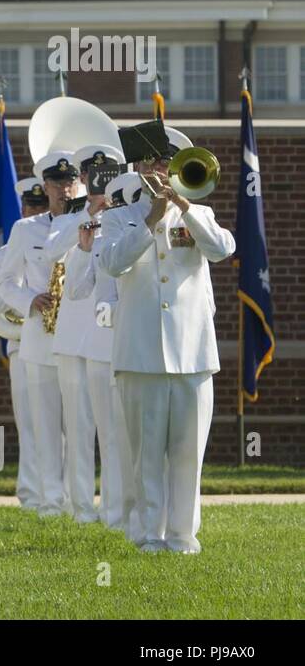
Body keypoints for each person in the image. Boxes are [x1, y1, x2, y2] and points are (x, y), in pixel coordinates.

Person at [99, 127, 234, 553]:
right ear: (138, 167)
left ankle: (182, 535)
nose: (162, 169)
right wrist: (152, 217)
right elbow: (113, 264)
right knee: (144, 456)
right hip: (141, 353)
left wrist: (184, 208)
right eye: (155, 161)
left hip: (193, 353)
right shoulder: (119, 217)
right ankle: (147, 534)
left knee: (188, 453)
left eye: (168, 162)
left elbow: (221, 249)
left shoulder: (201, 212)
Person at [0, 151, 82, 517]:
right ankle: (50, 501)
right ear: (45, 186)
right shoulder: (25, 230)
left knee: (81, 425)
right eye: (57, 183)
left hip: (80, 338)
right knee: (45, 426)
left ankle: (80, 503)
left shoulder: (91, 223)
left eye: (70, 181)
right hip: (40, 337)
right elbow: (3, 282)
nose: (65, 189)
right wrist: (30, 300)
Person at [62, 145, 126, 529]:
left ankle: (140, 514)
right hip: (101, 347)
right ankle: (115, 515)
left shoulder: (134, 216)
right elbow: (75, 289)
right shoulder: (84, 222)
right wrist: (86, 244)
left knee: (135, 436)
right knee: (107, 434)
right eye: (96, 177)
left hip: (139, 342)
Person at [0, 176, 48, 511]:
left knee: (63, 424)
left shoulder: (65, 236)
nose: (36, 209)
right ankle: (30, 495)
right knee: (30, 422)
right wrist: (29, 303)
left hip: (58, 342)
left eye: (41, 204)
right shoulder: (10, 248)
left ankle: (60, 494)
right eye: (32, 204)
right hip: (23, 343)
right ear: (23, 206)